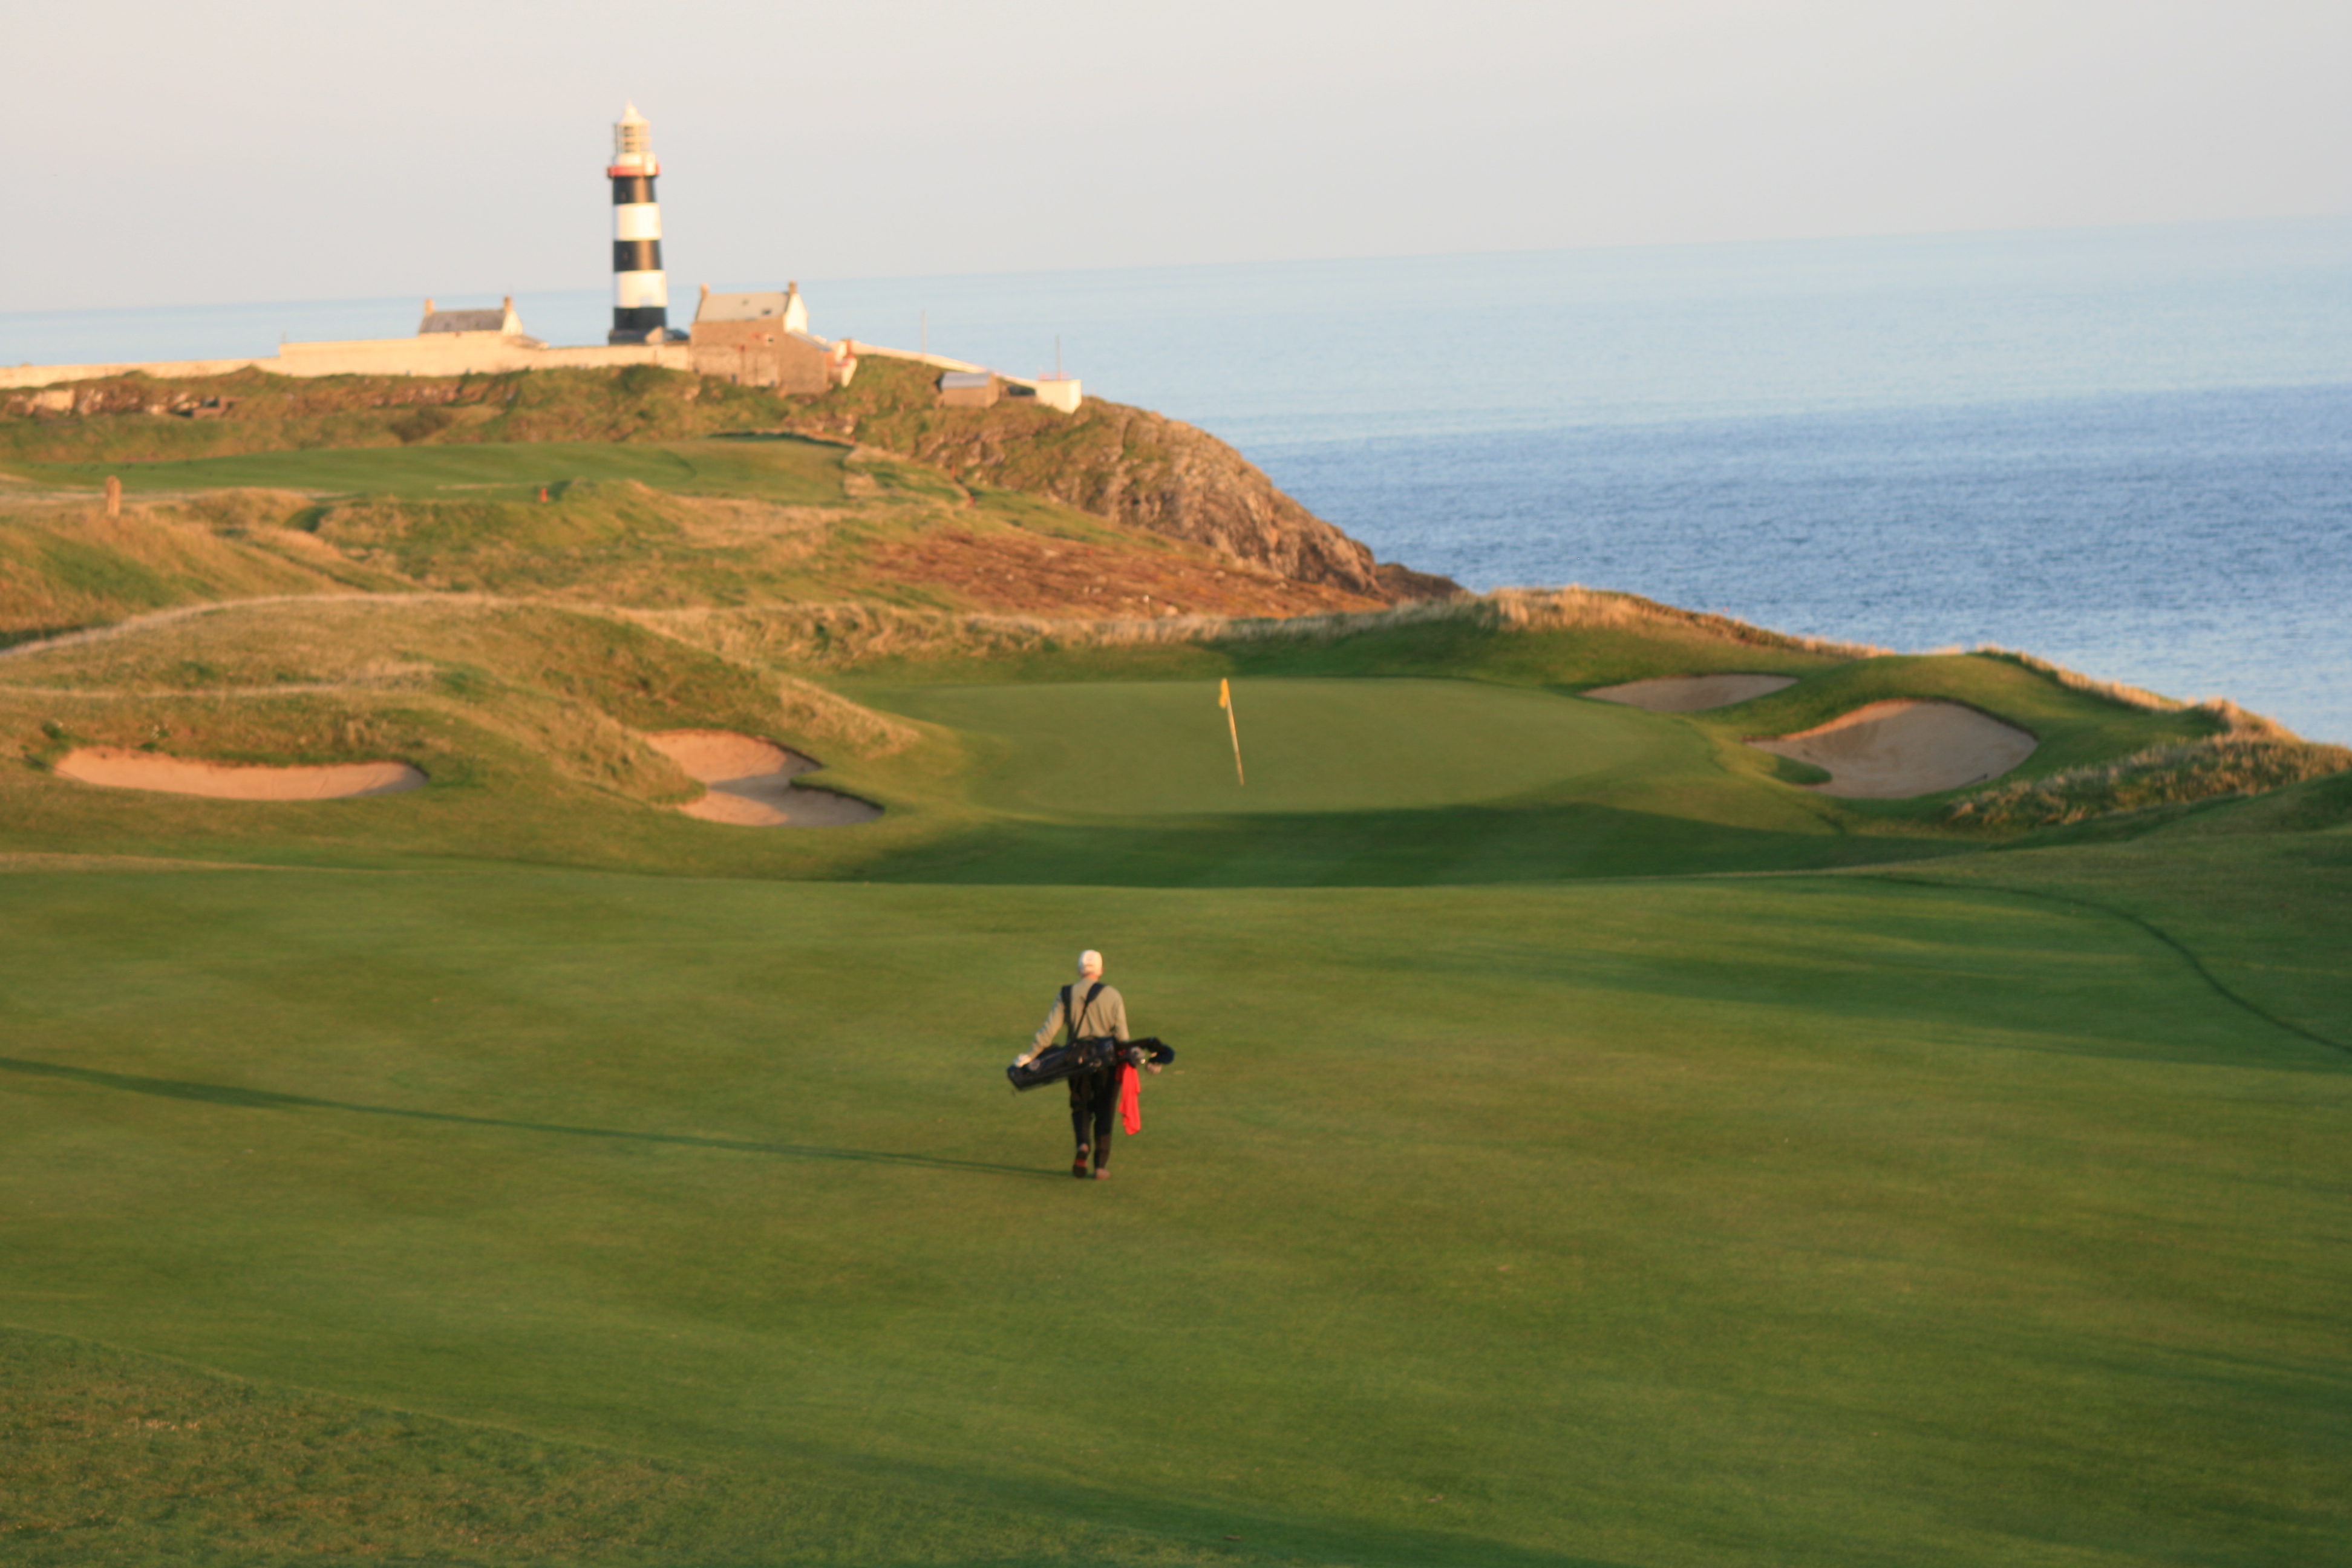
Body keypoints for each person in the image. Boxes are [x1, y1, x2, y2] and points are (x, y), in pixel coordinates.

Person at [1019, 949, 1136, 1180]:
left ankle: (1082, 1144)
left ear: (1079, 970)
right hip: (1107, 1061)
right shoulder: (1113, 995)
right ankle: (1101, 1165)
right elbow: (1122, 1036)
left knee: (1080, 1105)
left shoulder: (1067, 994)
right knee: (1105, 1110)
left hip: (1076, 1060)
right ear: (1101, 970)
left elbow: (1048, 1031)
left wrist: (1030, 1056)